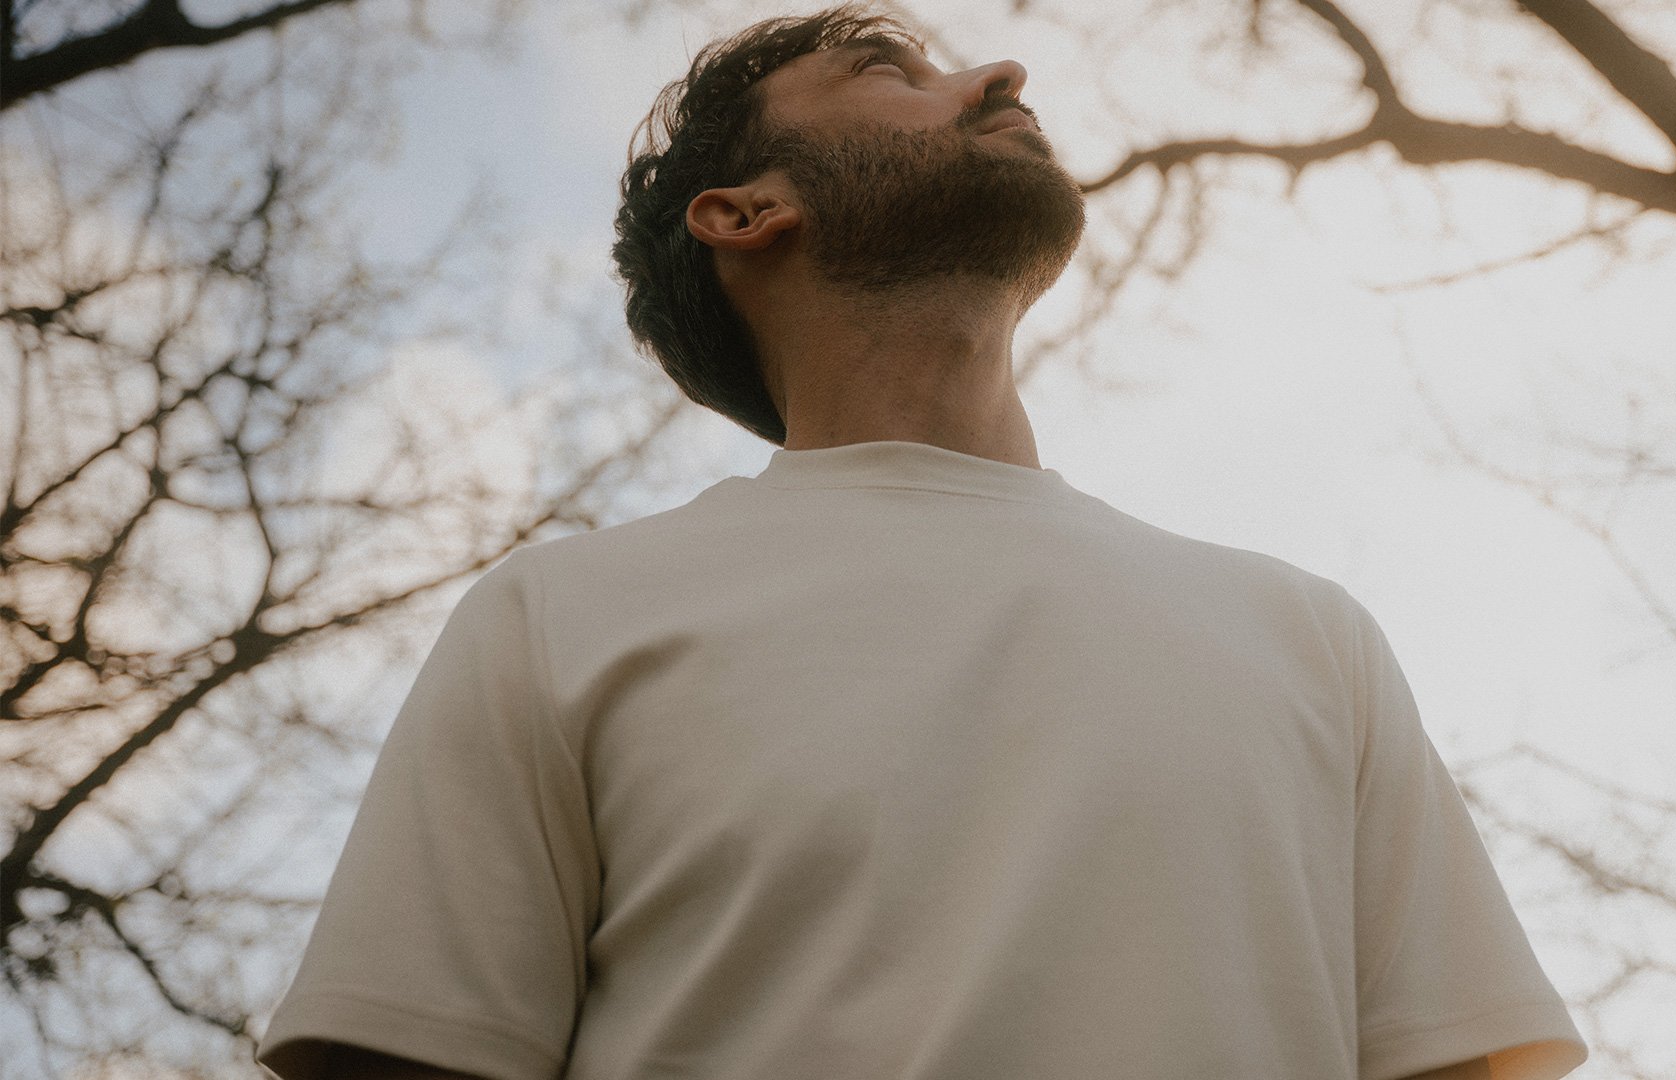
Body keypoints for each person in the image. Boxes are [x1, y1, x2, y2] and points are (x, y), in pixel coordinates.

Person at [255, 5, 1590, 1079]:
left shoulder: (1309, 636)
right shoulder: (560, 616)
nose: (999, 69)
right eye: (889, 69)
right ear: (741, 211)